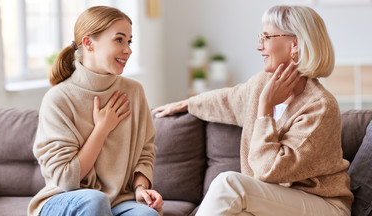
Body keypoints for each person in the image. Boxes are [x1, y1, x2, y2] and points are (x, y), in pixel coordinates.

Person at [154, 5, 352, 216]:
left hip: (323, 205)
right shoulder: (261, 84)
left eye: (266, 37)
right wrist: (188, 104)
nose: (259, 47)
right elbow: (228, 100)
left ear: (294, 44)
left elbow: (269, 170)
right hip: (274, 202)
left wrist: (265, 108)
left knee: (228, 183)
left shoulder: (320, 106)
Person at [28, 6, 163, 216]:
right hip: (63, 199)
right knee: (95, 200)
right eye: (119, 39)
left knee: (147, 214)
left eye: (129, 41)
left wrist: (140, 188)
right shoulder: (58, 99)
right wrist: (102, 129)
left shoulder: (134, 92)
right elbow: (66, 179)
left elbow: (145, 152)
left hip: (119, 201)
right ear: (89, 43)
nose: (128, 49)